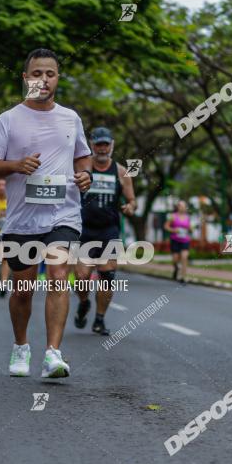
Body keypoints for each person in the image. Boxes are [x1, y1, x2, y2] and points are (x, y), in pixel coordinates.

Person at [0, 47, 92, 378]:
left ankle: (52, 354)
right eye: (37, 73)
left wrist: (86, 175)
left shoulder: (71, 118)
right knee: (23, 288)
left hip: (64, 213)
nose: (44, 79)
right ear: (25, 77)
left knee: (59, 275)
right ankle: (21, 346)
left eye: (50, 73)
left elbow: (82, 156)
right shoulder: (8, 119)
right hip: (22, 219)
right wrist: (15, 165)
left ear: (58, 78)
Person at [73, 126, 137, 335]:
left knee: (107, 276)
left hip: (109, 230)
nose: (102, 148)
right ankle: (84, 303)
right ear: (91, 145)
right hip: (84, 230)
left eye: (105, 144)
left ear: (112, 145)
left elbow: (132, 199)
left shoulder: (121, 171)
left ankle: (99, 320)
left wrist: (130, 207)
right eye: (98, 144)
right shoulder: (82, 167)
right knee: (82, 277)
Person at [163, 200, 192, 284]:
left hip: (185, 240)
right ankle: (176, 268)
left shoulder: (187, 217)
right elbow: (166, 226)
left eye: (184, 206)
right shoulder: (173, 216)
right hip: (175, 240)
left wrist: (191, 229)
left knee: (184, 257)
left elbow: (190, 228)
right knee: (175, 259)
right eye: (181, 206)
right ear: (178, 207)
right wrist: (174, 230)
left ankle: (183, 277)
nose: (183, 207)